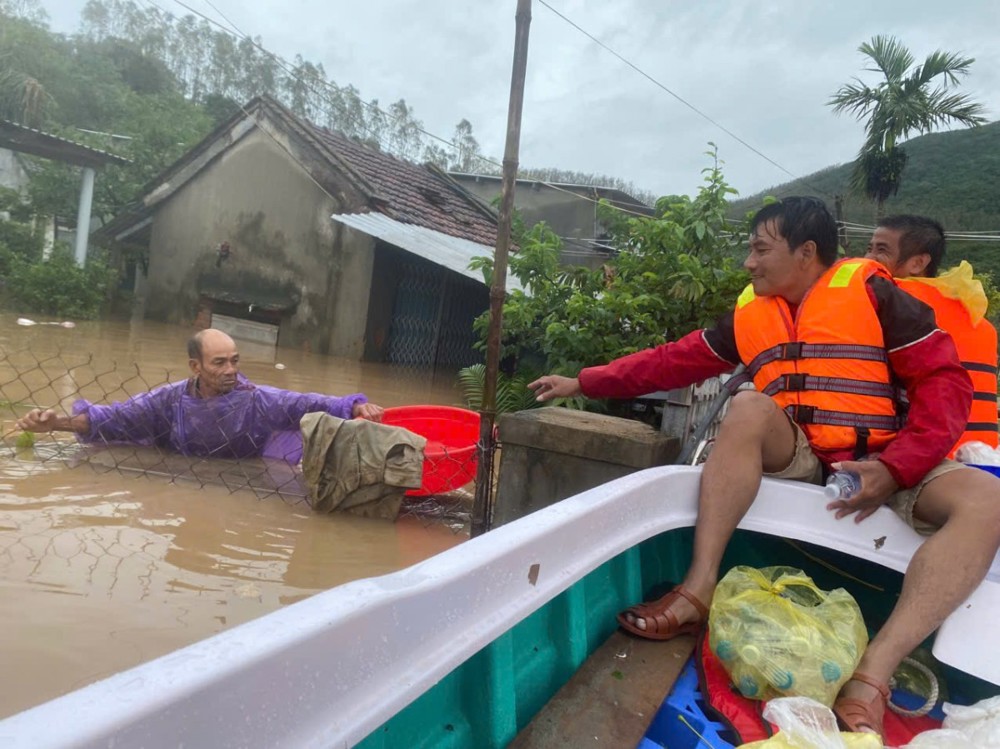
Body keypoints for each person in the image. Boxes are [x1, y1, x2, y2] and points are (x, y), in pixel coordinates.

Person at [529, 197, 1000, 738]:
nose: (749, 264)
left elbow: (946, 384)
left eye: (759, 249)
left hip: (886, 458)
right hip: (801, 454)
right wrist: (583, 382)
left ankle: (874, 673)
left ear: (806, 252)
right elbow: (670, 361)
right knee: (750, 405)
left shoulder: (875, 295)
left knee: (985, 502)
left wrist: (895, 468)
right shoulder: (753, 314)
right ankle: (696, 590)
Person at [16, 328, 385, 462]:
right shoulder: (169, 399)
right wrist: (58, 424)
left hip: (241, 473)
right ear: (195, 367)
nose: (230, 371)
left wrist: (354, 405)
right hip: (179, 467)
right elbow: (115, 418)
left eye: (235, 361)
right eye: (220, 362)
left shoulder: (256, 397)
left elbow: (305, 403)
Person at [866, 214, 998, 456]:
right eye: (870, 248)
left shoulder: (888, 302)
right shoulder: (976, 315)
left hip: (923, 460)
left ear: (918, 263)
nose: (869, 258)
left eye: (881, 250)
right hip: (985, 456)